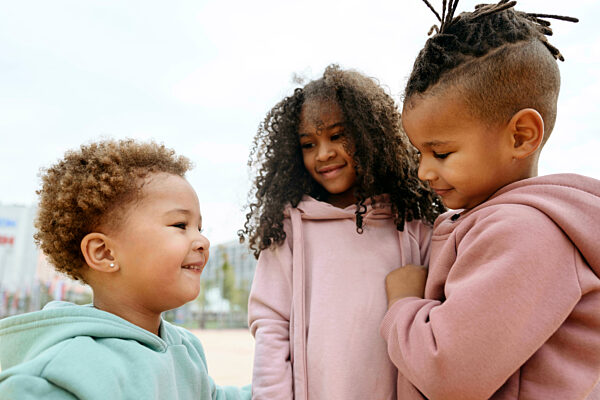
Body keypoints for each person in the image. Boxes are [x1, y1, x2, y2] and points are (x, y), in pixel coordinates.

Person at [381, 1, 600, 399]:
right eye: (419, 154)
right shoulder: (504, 224)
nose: (423, 172)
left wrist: (403, 304)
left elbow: (450, 374)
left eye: (442, 153)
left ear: (521, 136)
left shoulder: (524, 232)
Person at [239, 65, 445, 399]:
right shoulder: (287, 231)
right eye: (308, 144)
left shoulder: (414, 225)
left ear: (370, 135)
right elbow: (271, 328)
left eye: (337, 135)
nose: (323, 154)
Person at [0, 139, 251, 400]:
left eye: (199, 227)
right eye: (180, 224)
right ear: (104, 252)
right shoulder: (67, 370)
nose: (203, 241)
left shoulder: (185, 348)